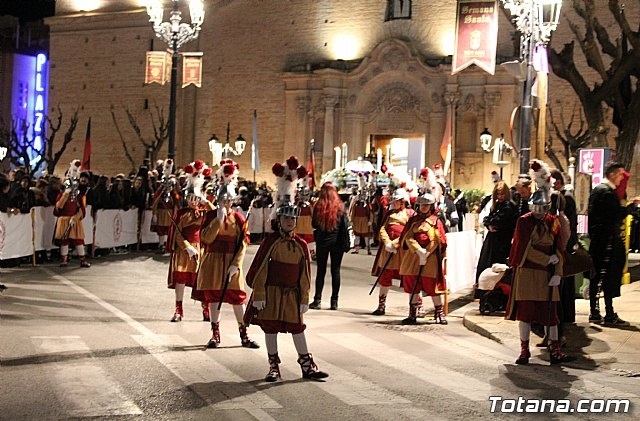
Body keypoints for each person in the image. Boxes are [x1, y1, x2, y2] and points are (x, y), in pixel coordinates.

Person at [244, 159, 328, 382]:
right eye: (286, 218)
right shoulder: (270, 242)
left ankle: (307, 365)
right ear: (278, 219)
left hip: (291, 294)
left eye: (293, 218)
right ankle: (273, 366)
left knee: (297, 327)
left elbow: (305, 275)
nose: (290, 222)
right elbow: (260, 268)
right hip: (271, 292)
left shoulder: (300, 244)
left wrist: (304, 298)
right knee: (270, 327)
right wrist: (259, 294)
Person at [506, 159, 574, 365]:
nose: (539, 211)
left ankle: (555, 350)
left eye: (542, 207)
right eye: (536, 207)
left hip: (547, 274)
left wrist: (557, 272)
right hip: (528, 273)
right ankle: (524, 350)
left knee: (551, 315)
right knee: (526, 313)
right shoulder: (523, 221)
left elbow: (559, 249)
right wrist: (546, 258)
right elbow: (524, 249)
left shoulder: (552, 221)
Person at [192, 159, 259, 349]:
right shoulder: (211, 216)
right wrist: (217, 222)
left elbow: (243, 243)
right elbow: (205, 238)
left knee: (238, 299)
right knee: (214, 299)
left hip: (231, 263)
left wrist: (235, 264)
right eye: (222, 200)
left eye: (228, 200)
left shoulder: (238, 219)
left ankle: (243, 334)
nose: (225, 203)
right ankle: (215, 334)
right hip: (212, 262)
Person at [587, 161, 637, 326]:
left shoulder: (597, 190)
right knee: (608, 277)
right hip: (608, 242)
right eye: (620, 174)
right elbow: (614, 216)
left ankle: (595, 312)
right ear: (613, 174)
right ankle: (608, 313)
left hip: (599, 241)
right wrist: (631, 208)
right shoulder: (607, 192)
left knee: (597, 277)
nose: (622, 177)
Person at [166, 160, 208, 322]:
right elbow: (176, 233)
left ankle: (205, 309)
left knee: (201, 280)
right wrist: (187, 247)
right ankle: (178, 309)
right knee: (181, 280)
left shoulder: (204, 213)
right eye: (190, 197)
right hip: (184, 250)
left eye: (196, 198)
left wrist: (206, 202)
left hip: (200, 249)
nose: (193, 201)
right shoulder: (182, 213)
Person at [398, 191, 448, 325]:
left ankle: (439, 313)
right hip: (413, 257)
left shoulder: (436, 221)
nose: (424, 207)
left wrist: (427, 252)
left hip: (430, 258)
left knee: (431, 285)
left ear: (431, 206)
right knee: (412, 285)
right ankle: (412, 314)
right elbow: (407, 237)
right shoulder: (413, 221)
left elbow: (439, 239)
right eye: (422, 205)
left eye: (427, 205)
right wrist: (418, 250)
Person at [370, 188, 415, 315]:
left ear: (402, 202)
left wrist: (396, 243)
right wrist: (388, 243)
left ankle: (416, 306)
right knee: (385, 277)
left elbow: (409, 232)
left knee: (409, 277)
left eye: (396, 201)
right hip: (388, 249)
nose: (393, 203)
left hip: (403, 251)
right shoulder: (389, 214)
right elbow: (382, 229)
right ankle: (381, 305)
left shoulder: (411, 214)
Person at [473, 181, 517, 300]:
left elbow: (500, 220)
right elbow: (488, 219)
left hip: (502, 242)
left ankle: (497, 295)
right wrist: (489, 224)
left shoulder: (509, 206)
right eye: (498, 194)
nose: (500, 197)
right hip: (493, 240)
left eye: (502, 194)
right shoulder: (497, 205)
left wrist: (491, 223)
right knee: (487, 265)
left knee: (498, 267)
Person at [310, 182, 350, 310]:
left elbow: (314, 224)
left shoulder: (319, 206)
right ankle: (334, 302)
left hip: (323, 242)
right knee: (335, 270)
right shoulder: (340, 207)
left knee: (321, 271)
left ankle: (317, 300)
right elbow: (345, 225)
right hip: (337, 242)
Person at [52, 159, 91, 268]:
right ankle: (64, 259)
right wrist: (65, 195)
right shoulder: (62, 195)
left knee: (79, 240)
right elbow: (58, 207)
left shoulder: (78, 195)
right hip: (64, 220)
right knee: (65, 241)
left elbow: (81, 209)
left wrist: (76, 217)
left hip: (74, 220)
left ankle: (83, 260)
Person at [151, 159, 179, 254]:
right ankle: (161, 245)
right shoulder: (160, 191)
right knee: (160, 229)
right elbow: (155, 199)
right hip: (161, 211)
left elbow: (177, 201)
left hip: (169, 212)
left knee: (169, 229)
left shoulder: (173, 193)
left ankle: (168, 245)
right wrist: (154, 213)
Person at [349, 173, 375, 254]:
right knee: (357, 235)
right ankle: (356, 249)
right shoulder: (356, 202)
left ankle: (368, 249)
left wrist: (370, 220)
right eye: (360, 193)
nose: (361, 195)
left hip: (364, 221)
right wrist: (351, 220)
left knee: (366, 236)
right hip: (356, 220)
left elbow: (370, 212)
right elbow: (352, 211)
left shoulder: (367, 203)